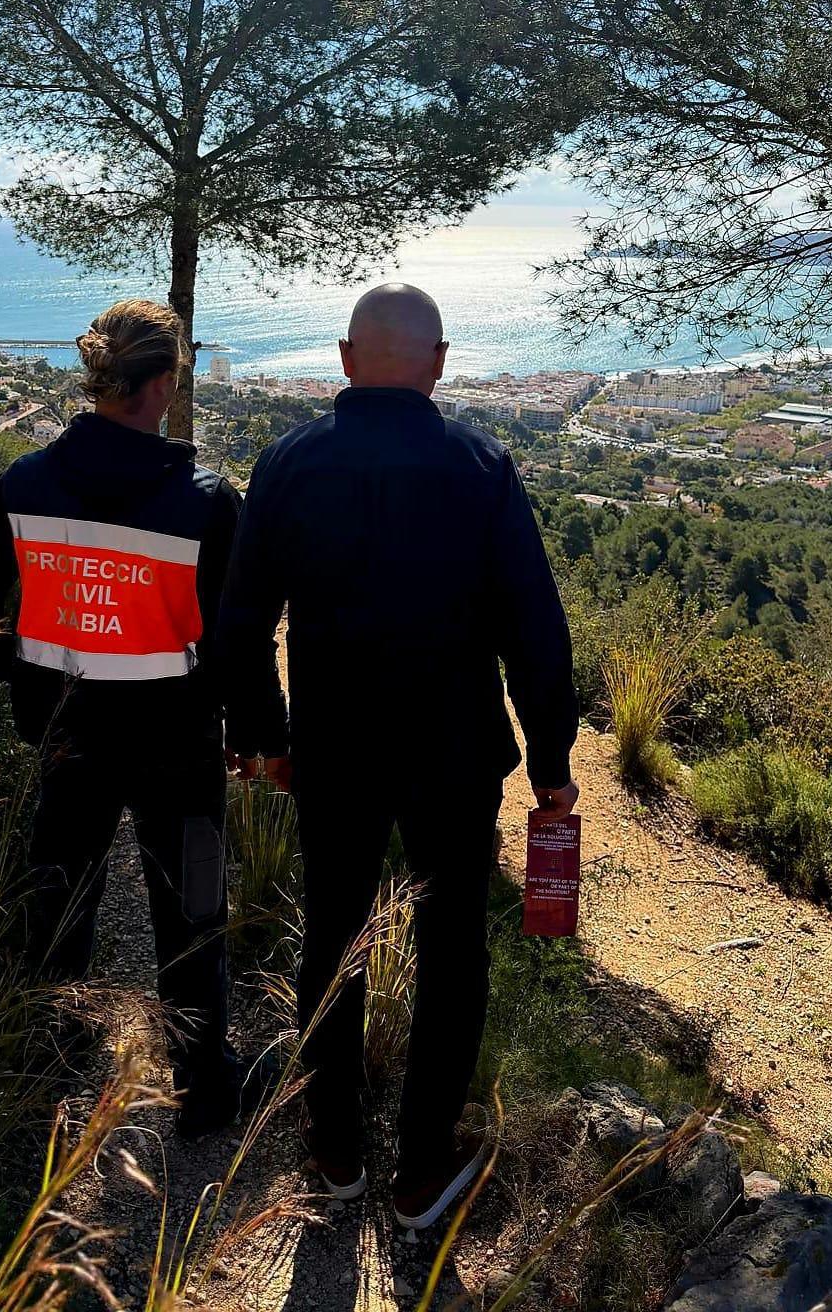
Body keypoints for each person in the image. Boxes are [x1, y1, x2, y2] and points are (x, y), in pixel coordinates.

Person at [217, 283, 579, 1229]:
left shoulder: (287, 464)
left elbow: (243, 622)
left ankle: (333, 1147)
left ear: (344, 359)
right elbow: (535, 628)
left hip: (331, 751)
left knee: (332, 937)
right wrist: (551, 758)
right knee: (452, 947)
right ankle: (423, 1168)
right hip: (454, 756)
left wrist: (264, 736)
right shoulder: (481, 465)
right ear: (440, 362)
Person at [0, 298, 279, 1139]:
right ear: (162, 385)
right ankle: (202, 1088)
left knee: (57, 902)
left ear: (98, 381)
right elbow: (238, 644)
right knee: (192, 912)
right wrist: (262, 737)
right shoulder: (202, 499)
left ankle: (48, 1071)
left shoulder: (26, 482)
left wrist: (22, 669)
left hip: (65, 737)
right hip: (179, 751)